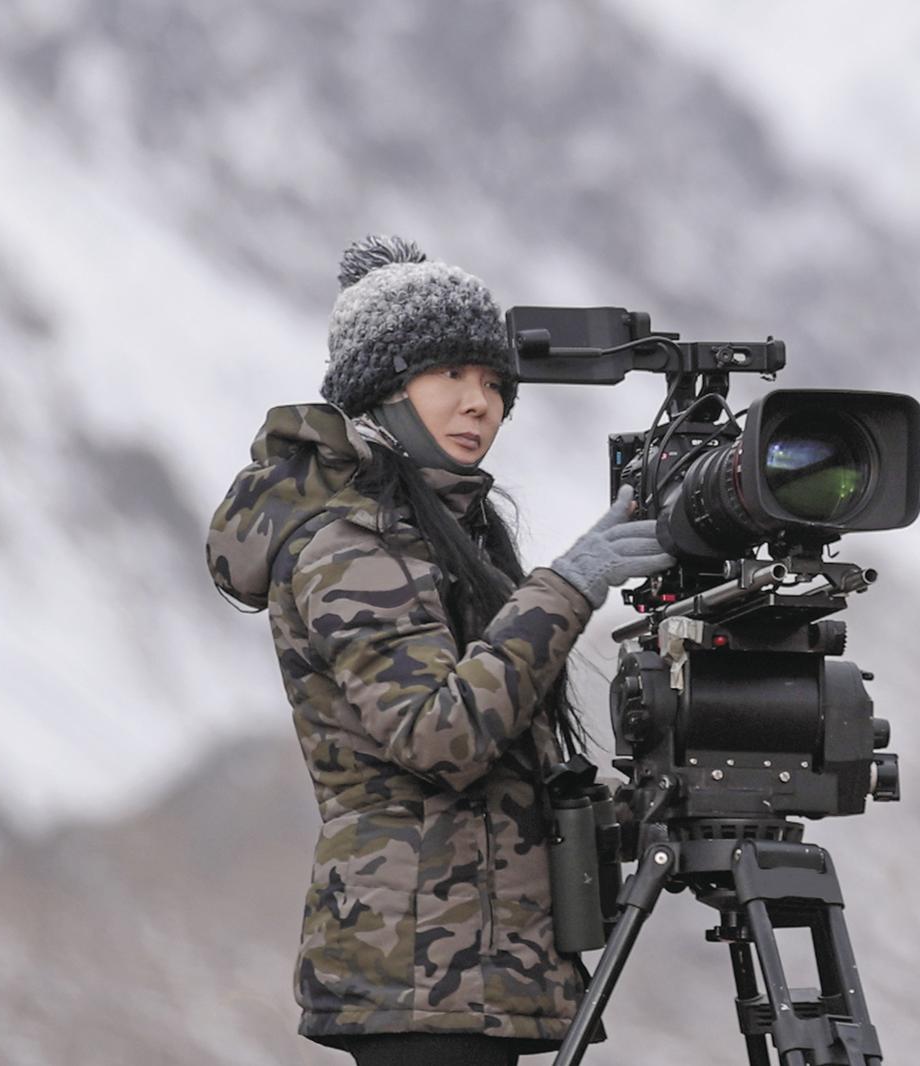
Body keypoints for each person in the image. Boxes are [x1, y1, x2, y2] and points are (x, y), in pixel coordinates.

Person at [206, 235, 672, 1066]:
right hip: (420, 980)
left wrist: (651, 807)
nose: (479, 404)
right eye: (450, 374)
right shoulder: (349, 544)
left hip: (466, 975)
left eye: (493, 384)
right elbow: (439, 737)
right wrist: (570, 584)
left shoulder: (449, 536)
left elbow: (498, 786)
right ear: (381, 390)